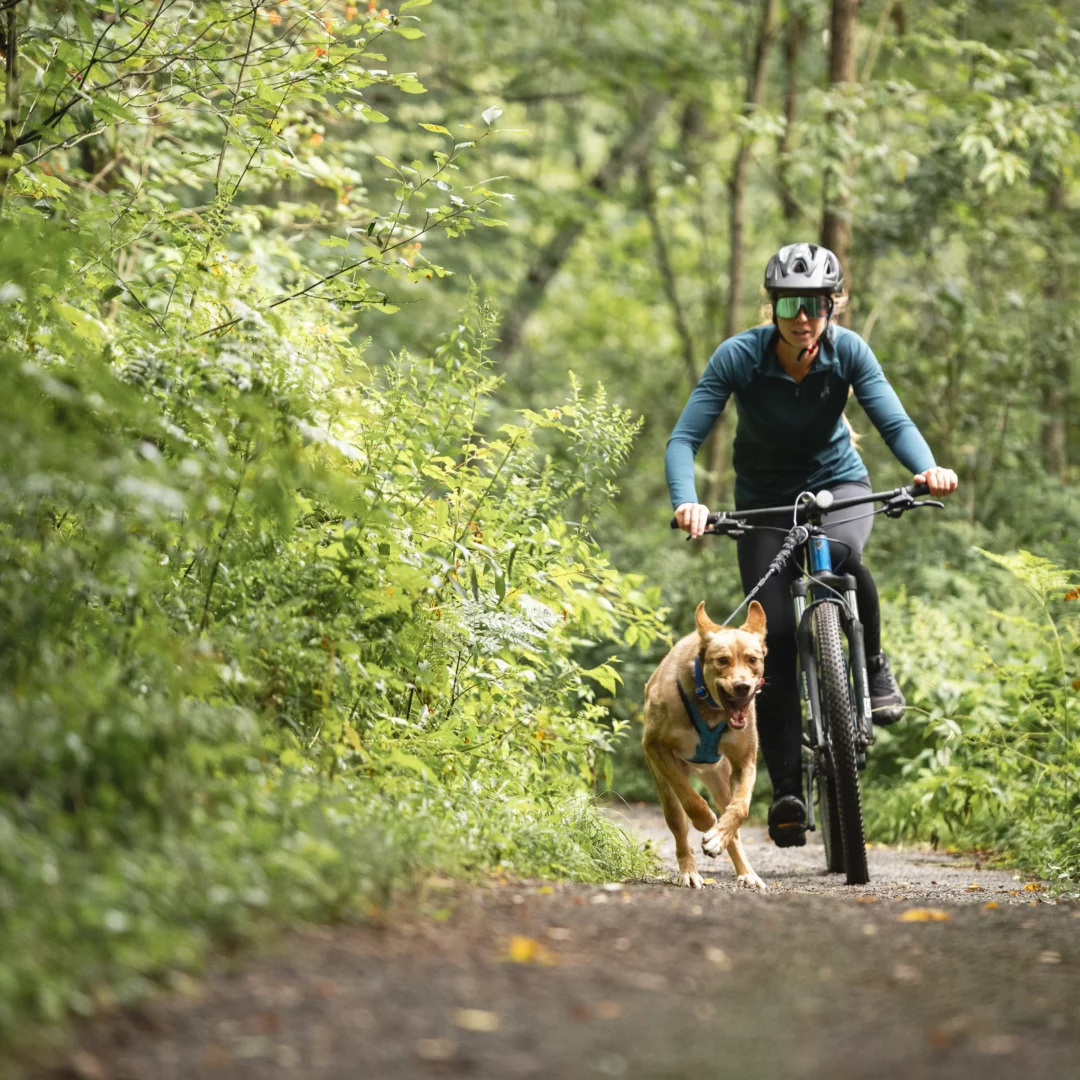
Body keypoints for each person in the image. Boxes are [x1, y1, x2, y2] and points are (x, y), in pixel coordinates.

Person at [666, 242, 957, 847]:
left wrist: (927, 468)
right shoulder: (740, 357)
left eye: (817, 304)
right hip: (765, 499)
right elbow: (685, 437)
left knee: (842, 560)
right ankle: (789, 793)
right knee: (765, 628)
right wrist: (687, 500)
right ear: (774, 306)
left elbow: (893, 423)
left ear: (833, 306)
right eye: (792, 304)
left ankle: (873, 667)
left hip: (838, 484)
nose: (804, 316)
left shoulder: (848, 351)